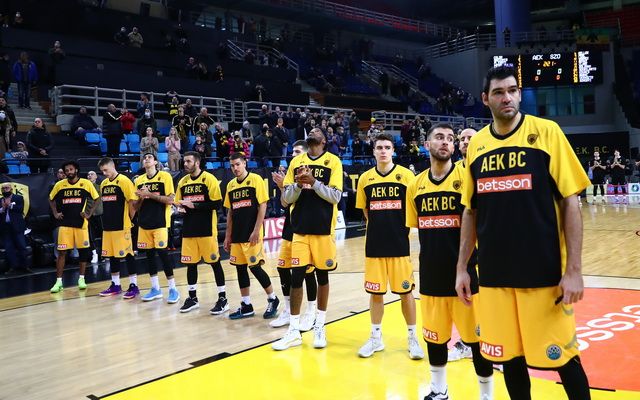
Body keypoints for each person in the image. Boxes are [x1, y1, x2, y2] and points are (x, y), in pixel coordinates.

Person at [456, 66, 591, 400]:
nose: (507, 98)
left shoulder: (547, 132)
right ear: (485, 99)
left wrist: (574, 270)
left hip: (543, 274)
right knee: (510, 360)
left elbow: (570, 200)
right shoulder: (477, 145)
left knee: (564, 359)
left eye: (512, 90)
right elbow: (470, 210)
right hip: (494, 277)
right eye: (499, 92)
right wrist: (462, 267)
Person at [406, 123, 494, 400]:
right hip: (431, 275)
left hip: (466, 275)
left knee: (477, 342)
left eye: (449, 139)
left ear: (455, 147)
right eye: (439, 137)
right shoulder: (415, 185)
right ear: (427, 144)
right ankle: (439, 390)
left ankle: (486, 395)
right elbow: (416, 227)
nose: (445, 142)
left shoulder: (466, 177)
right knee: (434, 339)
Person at [272, 128, 343, 350]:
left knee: (322, 277)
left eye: (316, 131)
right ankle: (294, 330)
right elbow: (285, 200)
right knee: (296, 278)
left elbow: (335, 196)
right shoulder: (297, 161)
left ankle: (319, 325)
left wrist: (313, 182)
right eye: (310, 131)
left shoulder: (333, 162)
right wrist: (297, 185)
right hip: (299, 229)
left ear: (323, 140)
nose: (312, 132)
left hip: (323, 229)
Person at [355, 133, 423, 360]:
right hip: (374, 246)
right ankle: (376, 338)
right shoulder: (365, 178)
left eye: (387, 147)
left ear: (393, 150)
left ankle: (412, 337)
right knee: (376, 293)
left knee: (406, 292)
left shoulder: (407, 176)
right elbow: (366, 211)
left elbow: (413, 207)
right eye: (379, 147)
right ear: (373, 151)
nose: (383, 151)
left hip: (399, 245)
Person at [223, 152, 279, 319]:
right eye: (232, 166)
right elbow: (230, 212)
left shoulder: (256, 180)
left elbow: (263, 205)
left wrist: (256, 230)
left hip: (252, 233)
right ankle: (246, 305)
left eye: (238, 164)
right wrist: (227, 236)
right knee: (240, 268)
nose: (235, 168)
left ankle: (273, 298)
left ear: (245, 163)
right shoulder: (231, 185)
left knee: (255, 267)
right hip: (237, 234)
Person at [269, 140, 318, 330]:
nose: (293, 155)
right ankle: (289, 310)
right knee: (282, 268)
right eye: (293, 152)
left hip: (307, 228)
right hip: (290, 227)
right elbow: (284, 203)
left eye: (297, 152)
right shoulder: (291, 173)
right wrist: (283, 186)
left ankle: (312, 311)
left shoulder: (311, 173)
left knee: (307, 272)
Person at [175, 151, 227, 313]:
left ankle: (223, 298)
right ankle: (192, 298)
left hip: (206, 229)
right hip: (189, 229)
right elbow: (179, 202)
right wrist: (180, 207)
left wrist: (195, 205)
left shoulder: (209, 179)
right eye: (184, 161)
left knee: (214, 263)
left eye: (188, 161)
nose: (185, 164)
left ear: (197, 163)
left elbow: (217, 204)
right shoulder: (183, 181)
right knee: (190, 264)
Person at [132, 153, 180, 304]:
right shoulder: (139, 180)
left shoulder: (165, 177)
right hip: (144, 223)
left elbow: (170, 200)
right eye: (144, 158)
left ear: (155, 162)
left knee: (163, 255)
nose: (146, 159)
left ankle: (173, 289)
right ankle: (155, 288)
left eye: (149, 157)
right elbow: (135, 206)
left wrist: (150, 194)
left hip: (160, 222)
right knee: (149, 256)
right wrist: (141, 198)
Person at [447, 127, 477, 363]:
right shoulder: (454, 171)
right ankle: (468, 341)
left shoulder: (486, 165)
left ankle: (499, 343)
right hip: (464, 241)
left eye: (470, 138)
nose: (466, 141)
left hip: (490, 238)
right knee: (467, 296)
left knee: (492, 297)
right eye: (462, 139)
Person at [49, 161, 100, 293]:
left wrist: (89, 213)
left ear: (76, 170)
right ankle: (58, 282)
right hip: (64, 224)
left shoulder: (86, 183)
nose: (69, 172)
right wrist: (55, 213)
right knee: (62, 253)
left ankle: (81, 279)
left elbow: (96, 198)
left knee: (83, 252)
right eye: (67, 170)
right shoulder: (59, 185)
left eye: (71, 169)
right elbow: (51, 199)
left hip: (81, 223)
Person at [96, 158, 140, 299]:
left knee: (128, 255)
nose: (104, 173)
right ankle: (115, 284)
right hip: (108, 225)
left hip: (122, 225)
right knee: (112, 255)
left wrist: (130, 219)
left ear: (113, 166)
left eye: (106, 170)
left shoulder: (124, 181)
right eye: (102, 171)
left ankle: (134, 285)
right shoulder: (104, 183)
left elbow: (132, 202)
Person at [0, 182, 31, 274]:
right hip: (6, 228)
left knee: (22, 246)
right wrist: (3, 208)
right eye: (3, 188)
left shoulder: (18, 198)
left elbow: (20, 209)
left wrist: (10, 205)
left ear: (11, 189)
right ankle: (13, 267)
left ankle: (25, 267)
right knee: (9, 248)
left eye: (6, 188)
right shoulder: (0, 200)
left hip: (17, 227)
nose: (5, 190)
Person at [86, 170, 102, 264]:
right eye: (88, 174)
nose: (89, 175)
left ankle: (105, 253)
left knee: (104, 234)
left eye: (92, 174)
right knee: (90, 235)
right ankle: (94, 253)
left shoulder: (100, 187)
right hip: (88, 214)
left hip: (99, 213)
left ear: (96, 176)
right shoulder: (84, 187)